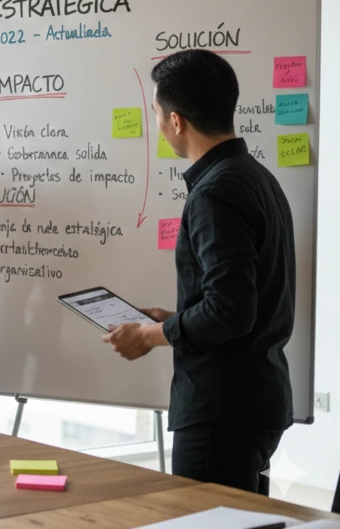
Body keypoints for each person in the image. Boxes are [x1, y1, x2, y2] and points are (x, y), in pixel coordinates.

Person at [103, 49, 295, 493]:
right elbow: (243, 300)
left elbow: (230, 310)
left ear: (176, 121)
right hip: (255, 398)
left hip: (221, 408)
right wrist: (174, 320)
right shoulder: (257, 177)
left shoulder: (214, 192)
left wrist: (149, 337)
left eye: (155, 113)